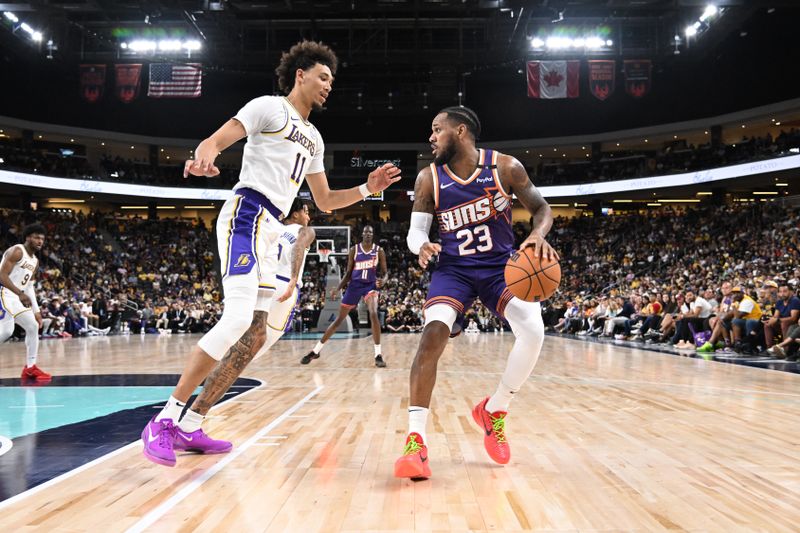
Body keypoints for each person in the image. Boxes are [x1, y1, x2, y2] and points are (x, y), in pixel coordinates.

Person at [141, 40, 401, 468]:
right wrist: (204, 156)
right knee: (238, 318)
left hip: (274, 226)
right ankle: (164, 421)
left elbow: (325, 200)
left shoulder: (314, 138)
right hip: (247, 213)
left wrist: (368, 189)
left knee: (257, 333)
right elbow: (218, 138)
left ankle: (192, 424)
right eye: (323, 77)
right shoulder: (268, 107)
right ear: (300, 75)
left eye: (332, 81)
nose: (328, 86)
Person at [394, 106, 556, 479]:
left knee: (534, 331)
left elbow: (542, 208)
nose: (431, 137)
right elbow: (416, 231)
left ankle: (495, 409)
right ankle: (415, 442)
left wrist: (536, 234)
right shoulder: (428, 179)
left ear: (460, 131)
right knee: (432, 333)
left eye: (437, 130)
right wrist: (421, 246)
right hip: (453, 270)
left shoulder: (505, 167)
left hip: (501, 267)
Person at [302, 225, 389, 367]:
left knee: (373, 313)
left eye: (370, 232)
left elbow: (385, 272)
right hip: (354, 286)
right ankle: (316, 351)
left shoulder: (379, 251)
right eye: (365, 232)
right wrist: (337, 289)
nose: (368, 234)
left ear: (373, 235)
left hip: (370, 286)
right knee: (338, 320)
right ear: (362, 234)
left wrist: (383, 280)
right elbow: (348, 273)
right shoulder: (354, 250)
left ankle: (378, 355)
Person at [0, 223, 50, 382]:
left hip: (15, 296)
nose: (40, 241)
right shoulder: (17, 251)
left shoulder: (35, 261)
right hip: (3, 292)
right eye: (36, 237)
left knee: (33, 325)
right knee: (7, 331)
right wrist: (19, 293)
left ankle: (30, 368)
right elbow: (2, 275)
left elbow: (29, 287)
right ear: (28, 237)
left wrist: (36, 312)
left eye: (42, 238)